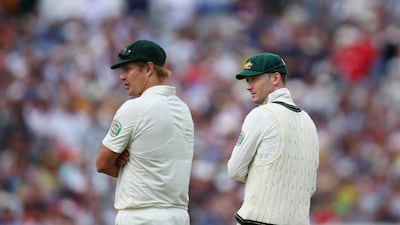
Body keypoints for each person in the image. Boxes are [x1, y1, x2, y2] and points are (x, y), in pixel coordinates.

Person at [96, 39, 194, 225]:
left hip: (141, 217)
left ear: (149, 69)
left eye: (128, 69)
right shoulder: (183, 109)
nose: (122, 77)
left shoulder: (134, 108)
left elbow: (102, 163)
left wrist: (125, 165)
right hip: (178, 216)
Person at [227, 52, 319, 225]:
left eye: (254, 79)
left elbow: (235, 170)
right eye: (247, 81)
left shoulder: (261, 114)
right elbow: (311, 186)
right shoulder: (309, 122)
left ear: (275, 78)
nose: (248, 86)